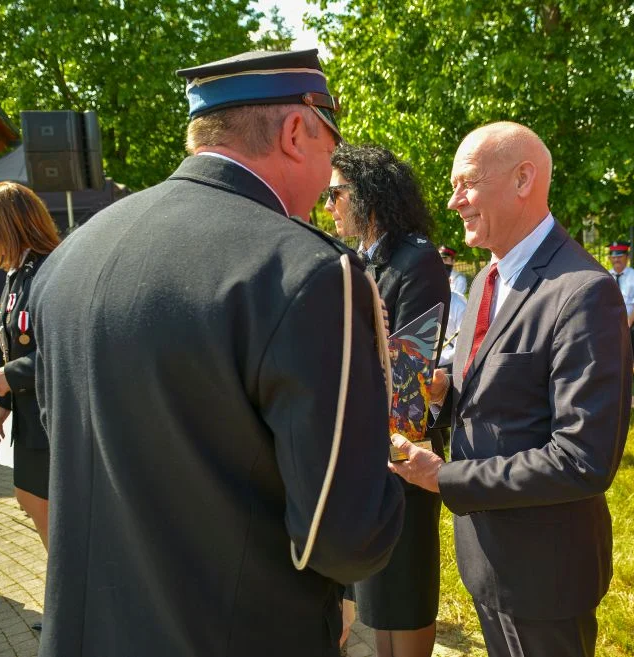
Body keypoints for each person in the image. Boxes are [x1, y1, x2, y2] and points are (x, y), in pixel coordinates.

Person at [29, 50, 405, 657]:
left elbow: (72, 444)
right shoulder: (304, 271)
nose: (329, 177)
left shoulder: (73, 253)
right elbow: (341, 538)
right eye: (329, 150)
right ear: (293, 132)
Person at [390, 122, 633, 657]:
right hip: (489, 559)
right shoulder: (485, 281)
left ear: (524, 178)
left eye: (467, 183)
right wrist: (440, 395)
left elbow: (583, 458)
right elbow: (498, 396)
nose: (454, 202)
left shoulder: (583, 292)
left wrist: (445, 476)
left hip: (544, 572)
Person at [326, 143, 450, 657]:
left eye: (336, 193)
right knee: (376, 589)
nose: (328, 204)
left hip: (404, 446)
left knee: (405, 585)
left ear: (368, 194)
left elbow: (408, 372)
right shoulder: (362, 258)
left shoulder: (415, 260)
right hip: (366, 443)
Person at [0, 182, 60, 558]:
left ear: (6, 225)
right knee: (32, 500)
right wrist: (2, 401)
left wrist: (11, 377)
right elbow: (18, 341)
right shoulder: (16, 273)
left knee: (49, 508)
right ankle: (67, 601)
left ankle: (72, 606)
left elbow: (66, 346)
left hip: (54, 415)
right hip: (30, 413)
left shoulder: (50, 269)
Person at [607, 240, 634, 361]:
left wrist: (628, 321)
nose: (616, 260)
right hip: (608, 319)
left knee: (629, 334)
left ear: (627, 257)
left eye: (620, 256)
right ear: (609, 258)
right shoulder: (605, 276)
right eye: (613, 257)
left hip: (631, 319)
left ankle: (631, 369)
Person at [439, 290, 467, 370]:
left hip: (450, 365)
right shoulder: (422, 301)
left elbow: (461, 349)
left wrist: (434, 360)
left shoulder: (460, 305)